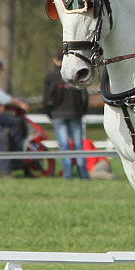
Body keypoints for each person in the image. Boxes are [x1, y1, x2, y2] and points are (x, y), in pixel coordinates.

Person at [43, 50, 90, 180]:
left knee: (64, 146)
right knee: (78, 145)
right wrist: (82, 111)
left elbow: (46, 98)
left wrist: (49, 113)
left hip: (58, 114)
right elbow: (85, 96)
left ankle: (68, 175)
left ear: (55, 60)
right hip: (76, 113)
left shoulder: (50, 77)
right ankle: (83, 174)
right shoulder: (76, 74)